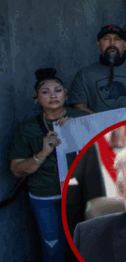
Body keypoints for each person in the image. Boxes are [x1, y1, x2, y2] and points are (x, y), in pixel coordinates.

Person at [9, 69, 87, 262]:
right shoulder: (27, 128)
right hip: (46, 196)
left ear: (65, 94)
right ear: (36, 98)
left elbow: (109, 147)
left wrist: (76, 133)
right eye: (45, 92)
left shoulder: (82, 118)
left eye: (58, 90)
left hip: (81, 193)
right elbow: (16, 170)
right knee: (52, 249)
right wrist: (42, 153)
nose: (53, 95)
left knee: (86, 246)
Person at [71, 25, 126, 112]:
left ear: (125, 44)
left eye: (117, 39)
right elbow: (80, 107)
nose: (112, 43)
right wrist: (103, 122)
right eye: (106, 39)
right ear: (98, 44)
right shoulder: (83, 75)